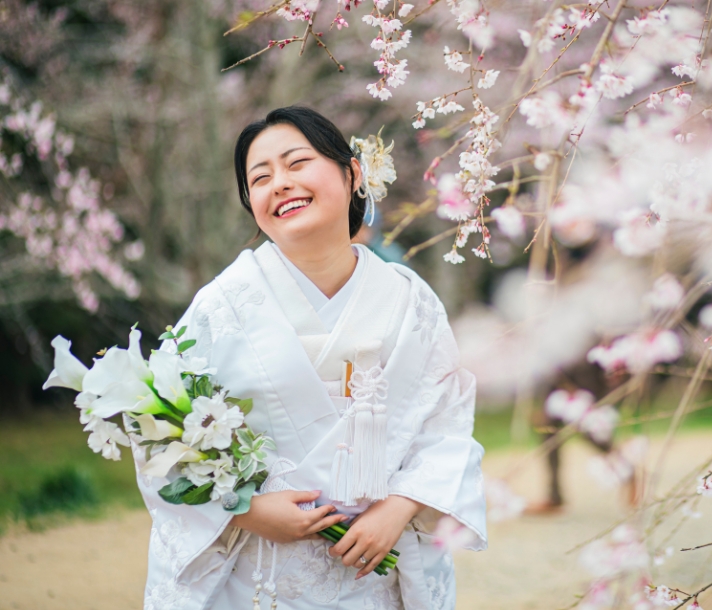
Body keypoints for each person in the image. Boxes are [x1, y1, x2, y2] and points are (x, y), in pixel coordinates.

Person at [135, 106, 487, 610]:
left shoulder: (411, 301)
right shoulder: (224, 305)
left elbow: (448, 424)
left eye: (297, 163)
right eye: (260, 177)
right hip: (258, 571)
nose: (279, 183)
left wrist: (400, 507)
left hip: (374, 571)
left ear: (351, 173)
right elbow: (158, 430)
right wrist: (244, 509)